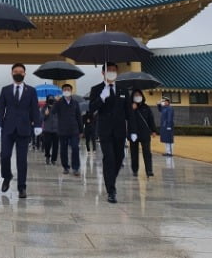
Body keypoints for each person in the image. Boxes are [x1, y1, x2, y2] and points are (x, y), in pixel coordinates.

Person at [0, 63, 42, 199]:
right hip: (8, 128)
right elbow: (0, 109)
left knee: (22, 160)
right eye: (15, 71)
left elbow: (34, 108)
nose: (18, 73)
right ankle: (7, 176)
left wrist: (38, 125)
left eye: (21, 71)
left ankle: (22, 187)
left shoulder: (31, 91)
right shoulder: (5, 90)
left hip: (24, 128)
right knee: (5, 155)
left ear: (24, 74)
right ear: (11, 73)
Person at [89, 62, 131, 203]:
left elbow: (129, 112)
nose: (111, 72)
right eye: (109, 70)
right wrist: (101, 97)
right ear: (103, 73)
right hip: (105, 130)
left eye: (114, 70)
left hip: (120, 130)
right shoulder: (97, 89)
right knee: (109, 158)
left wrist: (132, 130)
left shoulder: (124, 90)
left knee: (119, 158)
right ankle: (111, 190)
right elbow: (91, 108)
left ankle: (111, 179)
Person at [53, 84, 83, 176]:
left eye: (68, 89)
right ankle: (65, 167)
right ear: (62, 91)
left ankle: (76, 168)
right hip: (63, 130)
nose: (67, 90)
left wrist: (81, 130)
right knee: (63, 150)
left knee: (75, 148)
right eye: (65, 89)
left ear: (71, 90)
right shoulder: (59, 102)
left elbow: (79, 117)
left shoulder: (75, 103)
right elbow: (53, 112)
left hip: (74, 130)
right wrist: (56, 102)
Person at [128, 89, 157, 177]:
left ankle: (149, 170)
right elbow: (126, 118)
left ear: (142, 96)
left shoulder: (146, 107)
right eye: (135, 95)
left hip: (144, 133)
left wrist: (154, 130)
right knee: (134, 153)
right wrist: (132, 109)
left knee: (147, 152)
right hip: (133, 133)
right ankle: (135, 170)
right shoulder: (129, 107)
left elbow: (150, 119)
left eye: (139, 95)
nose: (137, 96)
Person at [42, 95, 59, 165]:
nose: (51, 101)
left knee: (56, 145)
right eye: (50, 100)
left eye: (52, 100)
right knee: (47, 144)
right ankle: (47, 156)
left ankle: (54, 159)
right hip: (47, 129)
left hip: (56, 129)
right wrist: (46, 114)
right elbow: (42, 118)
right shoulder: (44, 108)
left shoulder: (57, 107)